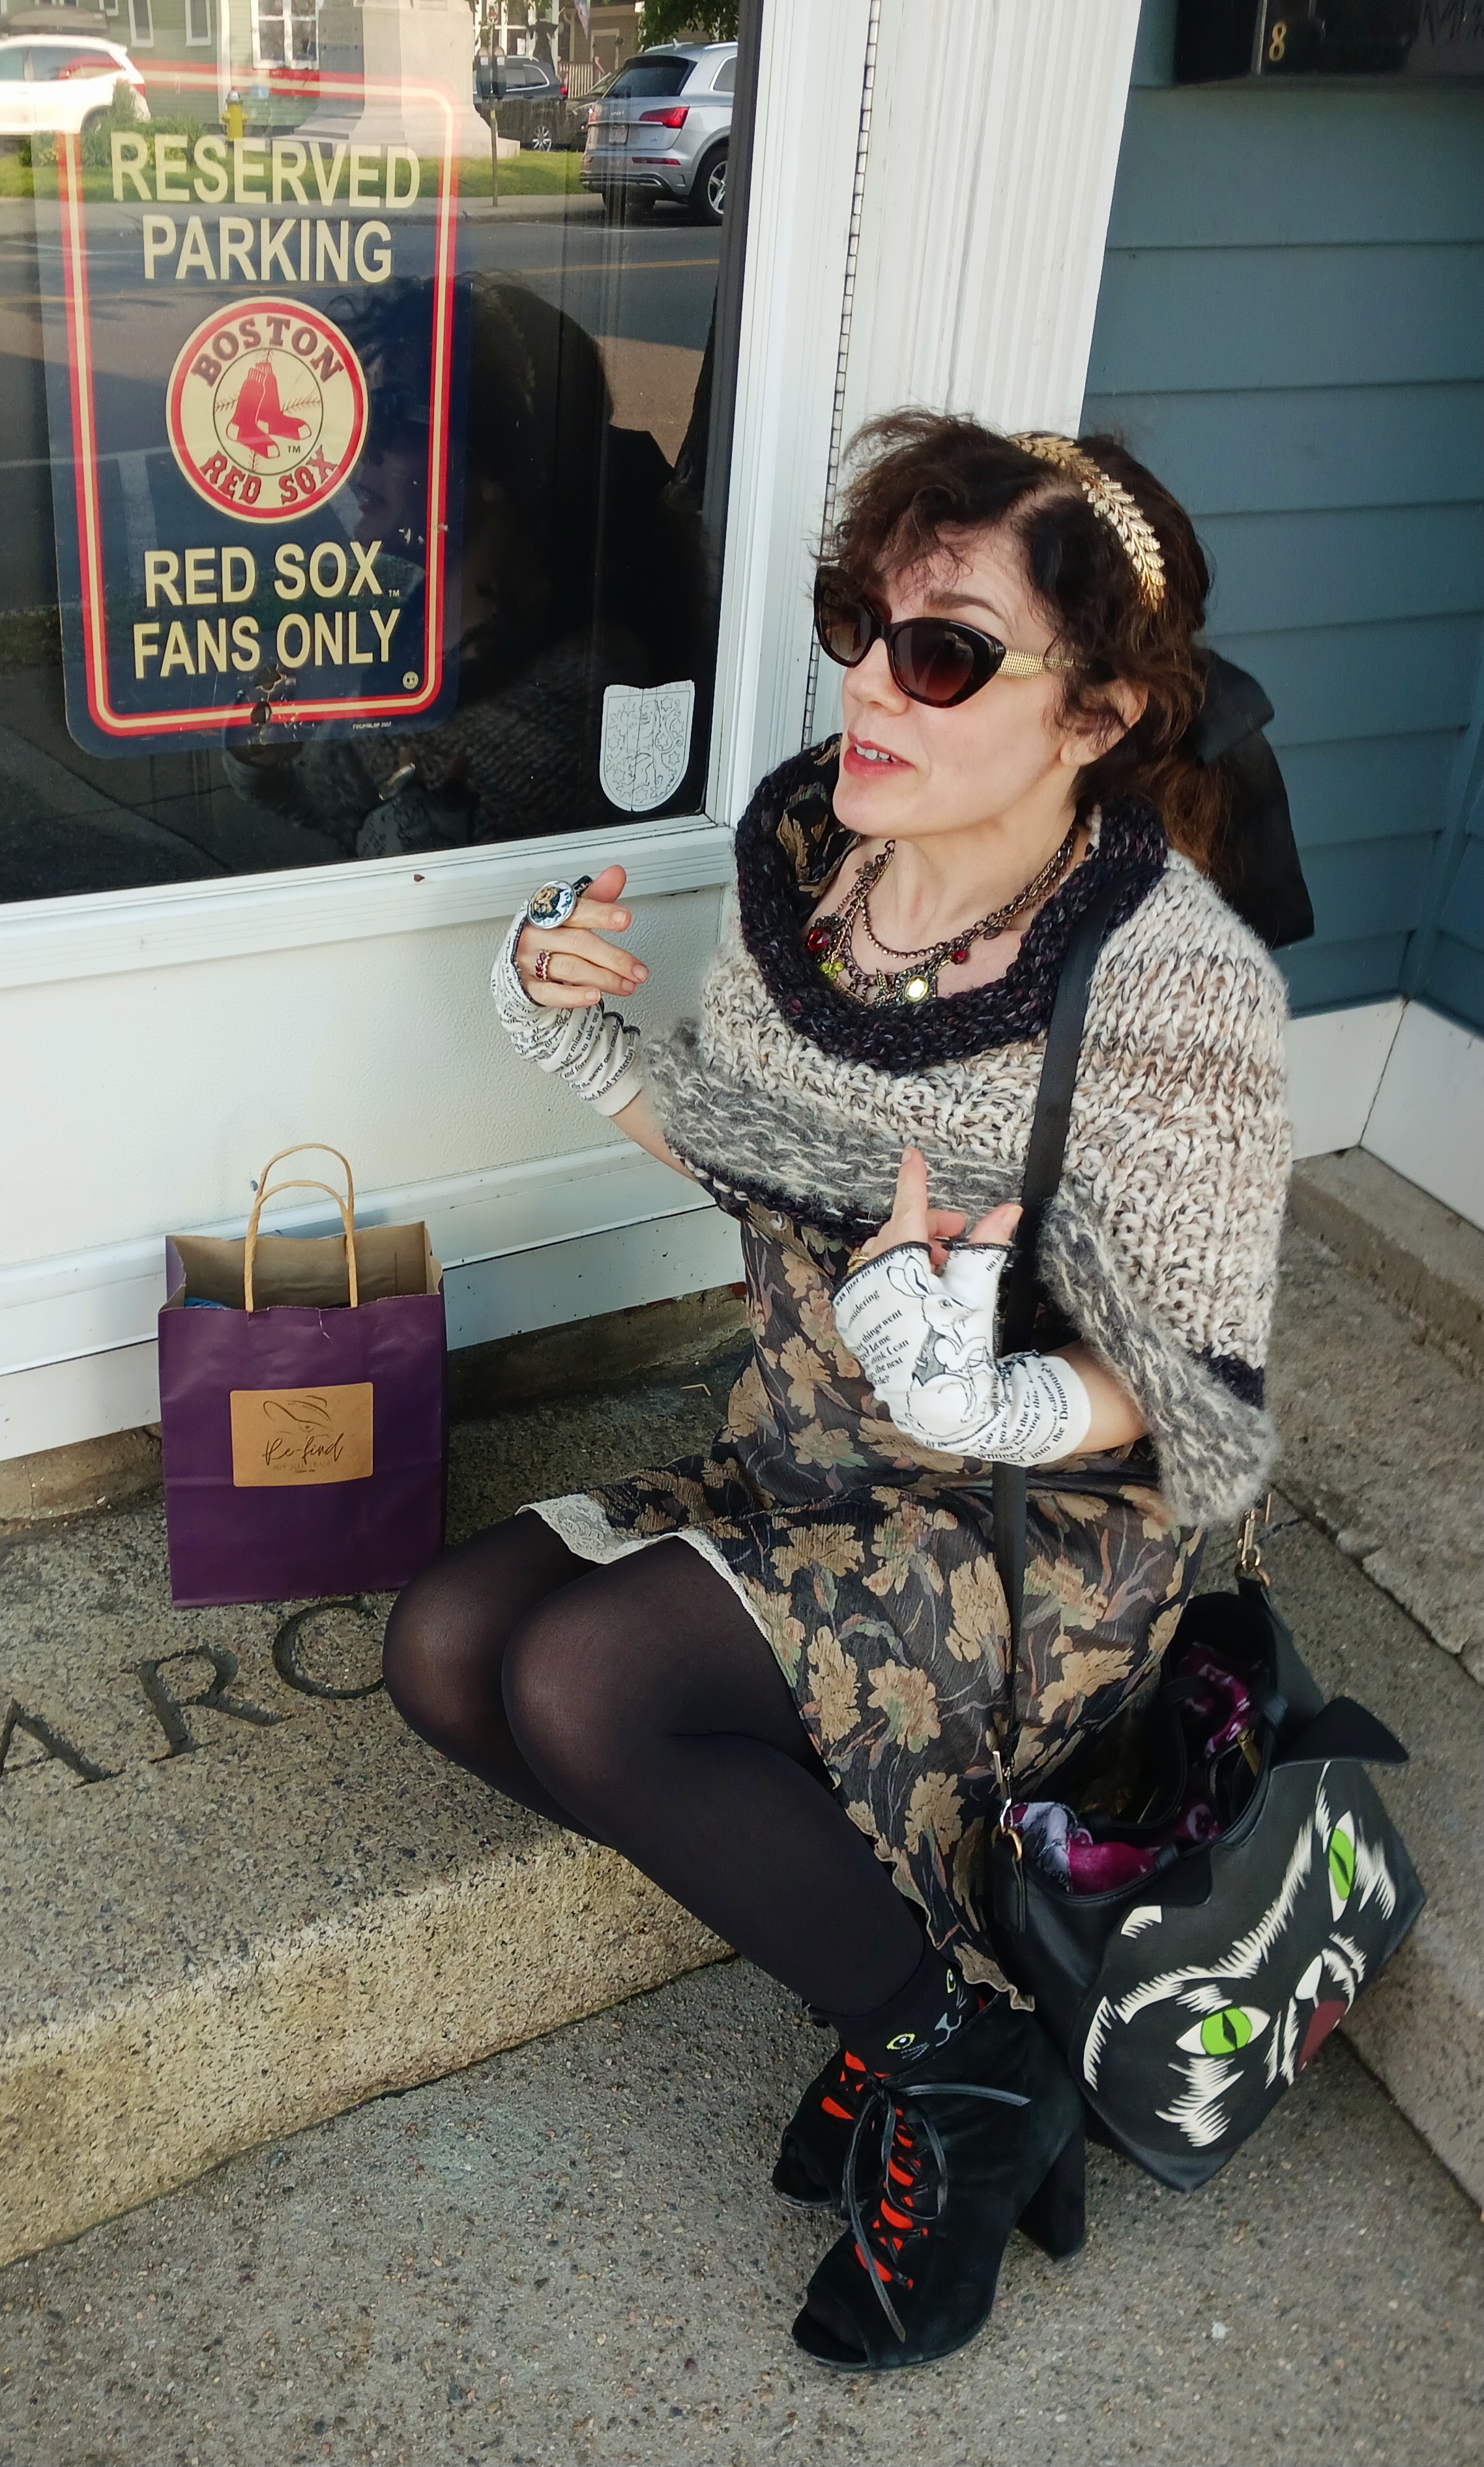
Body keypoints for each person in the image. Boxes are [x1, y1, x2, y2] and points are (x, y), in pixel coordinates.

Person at [381, 411, 1290, 2371]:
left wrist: (993, 1400)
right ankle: (926, 1992)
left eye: (944, 649)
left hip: (1023, 1530)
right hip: (811, 1446)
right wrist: (575, 1036)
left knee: (581, 1679)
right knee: (449, 1643)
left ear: (1100, 708)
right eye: (857, 624)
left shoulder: (1167, 983)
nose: (869, 681)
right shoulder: (822, 850)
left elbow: (1201, 1404)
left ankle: (965, 2080)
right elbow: (747, 1146)